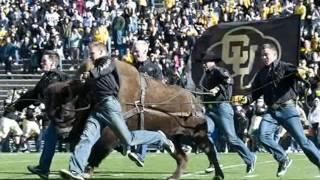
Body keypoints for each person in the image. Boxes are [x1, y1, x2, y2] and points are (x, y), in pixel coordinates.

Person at [59, 42, 175, 180]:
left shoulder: (109, 61)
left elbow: (102, 71)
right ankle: (75, 170)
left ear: (102, 52)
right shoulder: (94, 68)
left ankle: (159, 138)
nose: (90, 56)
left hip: (110, 106)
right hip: (97, 109)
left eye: (92, 53)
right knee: (87, 138)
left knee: (128, 139)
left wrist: (89, 74)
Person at [235, 43, 320, 177]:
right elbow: (255, 93)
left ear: (275, 55)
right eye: (262, 55)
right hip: (271, 112)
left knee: (302, 142)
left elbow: (301, 74)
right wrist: (244, 100)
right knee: (263, 136)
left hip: (287, 109)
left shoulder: (285, 67)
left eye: (266, 54)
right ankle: (283, 159)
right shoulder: (261, 73)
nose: (264, 57)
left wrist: (304, 72)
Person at [8, 50, 69, 179]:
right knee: (49, 139)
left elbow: (51, 92)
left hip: (67, 116)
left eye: (44, 61)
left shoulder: (57, 76)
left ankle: (79, 168)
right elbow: (34, 94)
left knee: (79, 140)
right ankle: (43, 169)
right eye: (41, 61)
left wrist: (41, 98)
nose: (41, 63)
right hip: (58, 117)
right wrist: (17, 105)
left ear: (53, 63)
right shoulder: (46, 78)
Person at [200, 52, 256, 174]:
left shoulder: (219, 71)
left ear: (213, 62)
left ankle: (250, 158)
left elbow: (229, 81)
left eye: (205, 62)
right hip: (210, 109)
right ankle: (214, 161)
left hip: (222, 107)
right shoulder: (206, 76)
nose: (203, 64)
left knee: (231, 138)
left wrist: (217, 88)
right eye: (203, 62)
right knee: (204, 133)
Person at [127, 40, 164, 167]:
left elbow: (160, 87)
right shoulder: (131, 67)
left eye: (137, 51)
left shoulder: (154, 68)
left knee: (144, 127)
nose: (135, 53)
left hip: (148, 103)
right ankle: (159, 138)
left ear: (145, 51)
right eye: (134, 51)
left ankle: (140, 155)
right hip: (133, 103)